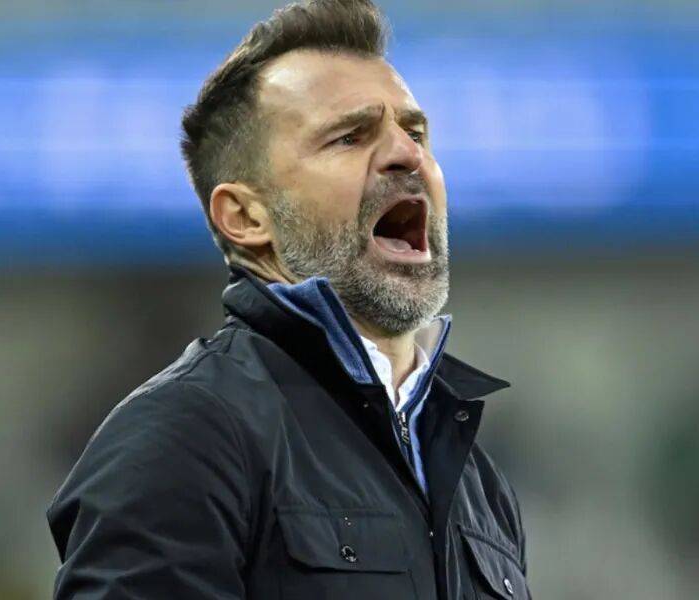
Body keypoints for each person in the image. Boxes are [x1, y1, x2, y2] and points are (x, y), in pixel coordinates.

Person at [47, 1, 531, 598]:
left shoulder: (479, 482)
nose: (408, 155)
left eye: (415, 133)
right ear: (246, 217)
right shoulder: (183, 436)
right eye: (349, 137)